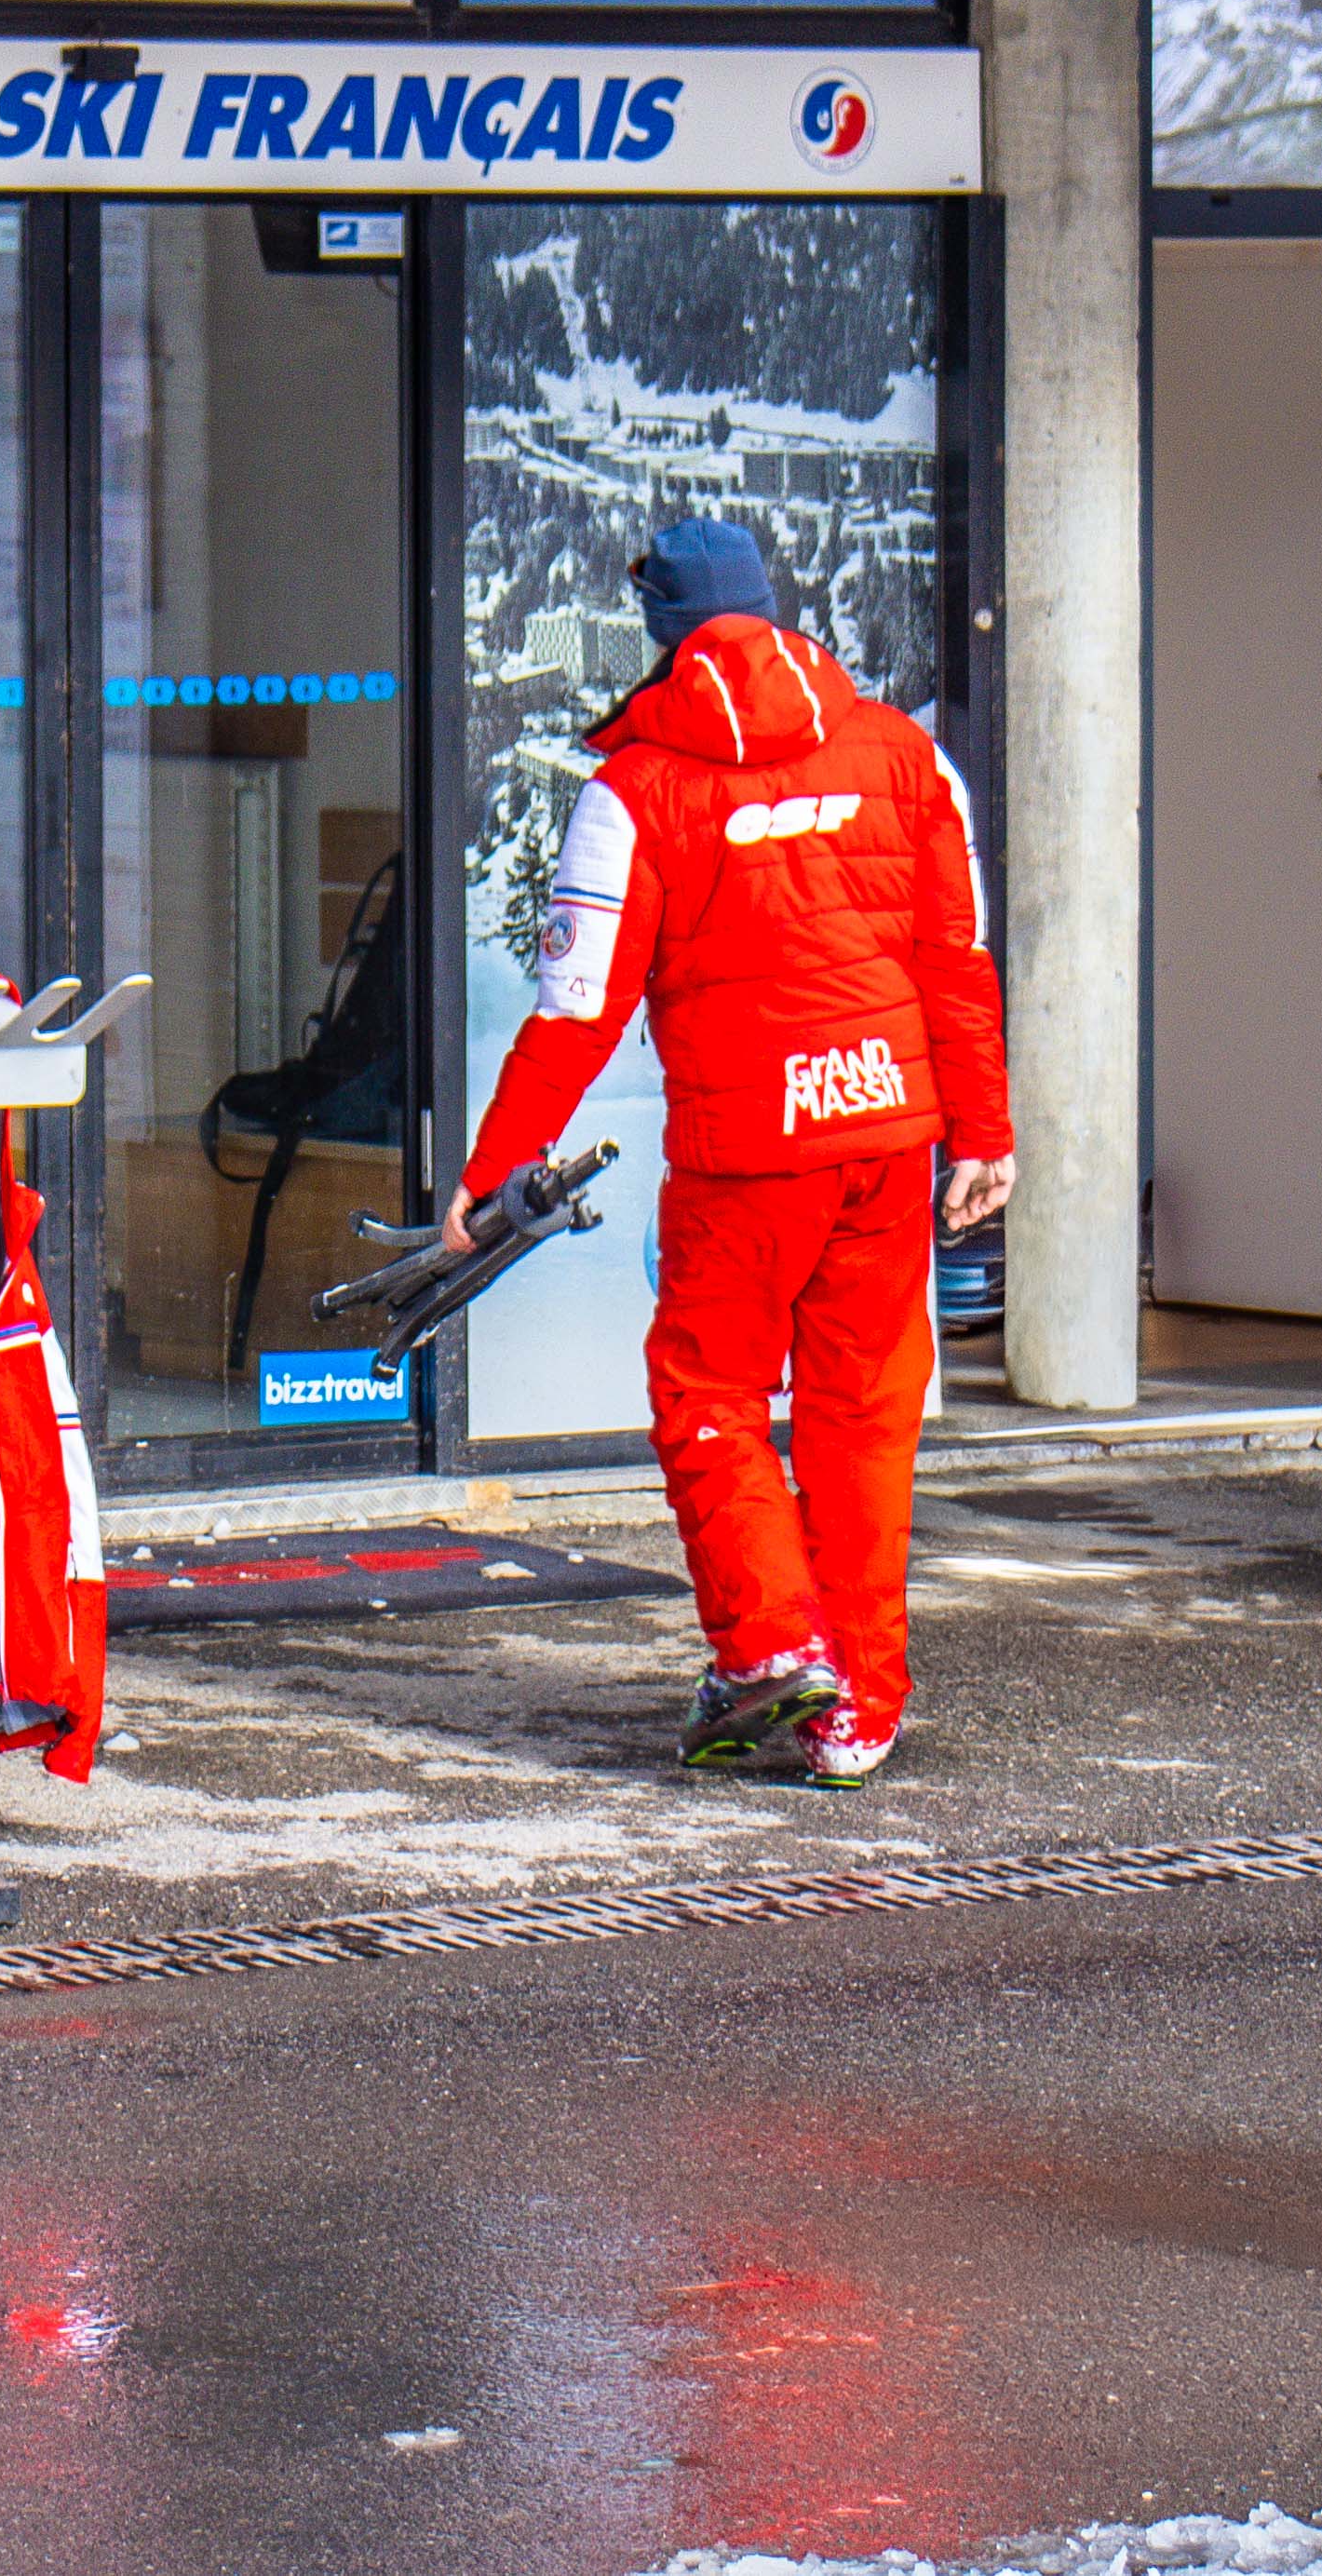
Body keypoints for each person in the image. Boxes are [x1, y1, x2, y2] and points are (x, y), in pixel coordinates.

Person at [438, 519, 1008, 1787]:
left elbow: (577, 1010)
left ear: (659, 631)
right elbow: (954, 960)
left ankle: (766, 1650)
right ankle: (857, 1707)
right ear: (770, 607)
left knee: (709, 1393)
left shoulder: (634, 789)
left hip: (748, 1152)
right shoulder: (904, 754)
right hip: (887, 1136)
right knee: (862, 1417)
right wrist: (984, 1130)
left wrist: (490, 1174)